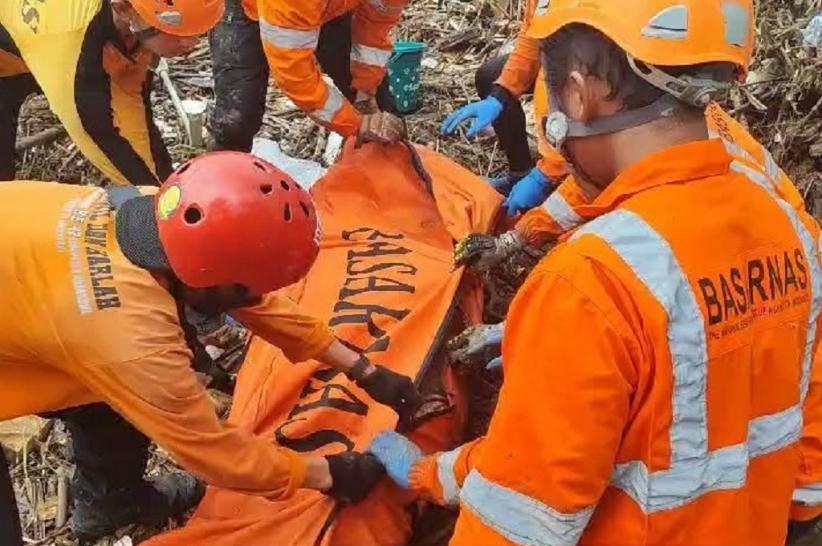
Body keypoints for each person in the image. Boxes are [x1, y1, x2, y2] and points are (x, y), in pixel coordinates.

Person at [369, 1, 822, 544]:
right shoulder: (789, 230)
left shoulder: (589, 283)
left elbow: (521, 514)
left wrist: (427, 473)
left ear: (580, 93)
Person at [0, 152, 420, 544]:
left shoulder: (158, 210)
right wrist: (328, 473)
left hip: (31, 295)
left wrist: (362, 368)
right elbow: (211, 451)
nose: (258, 294)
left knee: (108, 397)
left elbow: (253, 302)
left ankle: (112, 501)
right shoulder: (134, 340)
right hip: (60, 317)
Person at [0, 0, 222, 184]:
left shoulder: (139, 16)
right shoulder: (75, 52)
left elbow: (132, 117)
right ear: (123, 9)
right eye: (175, 33)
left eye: (199, 32)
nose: (190, 43)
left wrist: (165, 190)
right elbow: (98, 134)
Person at [208, 0, 407, 153]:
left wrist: (365, 90)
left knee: (383, 115)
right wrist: (354, 124)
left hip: (330, 9)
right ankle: (215, 193)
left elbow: (375, 25)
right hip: (250, 9)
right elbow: (296, 75)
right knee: (236, 122)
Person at [440, 0, 569, 213]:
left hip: (618, 81)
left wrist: (547, 174)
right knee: (491, 76)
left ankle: (564, 177)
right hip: (567, 58)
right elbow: (532, 38)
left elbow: (560, 94)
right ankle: (520, 172)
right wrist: (501, 94)